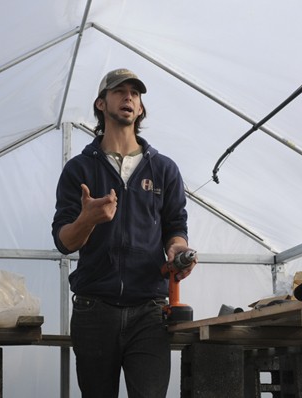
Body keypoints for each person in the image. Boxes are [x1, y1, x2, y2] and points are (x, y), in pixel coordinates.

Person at [51, 68, 196, 397]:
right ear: (101, 104)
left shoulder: (164, 169)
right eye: (119, 91)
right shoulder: (79, 169)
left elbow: (176, 226)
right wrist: (87, 219)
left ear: (141, 108)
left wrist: (177, 249)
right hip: (94, 309)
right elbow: (64, 241)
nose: (128, 97)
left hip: (150, 311)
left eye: (135, 93)